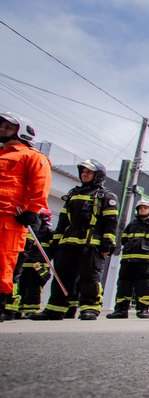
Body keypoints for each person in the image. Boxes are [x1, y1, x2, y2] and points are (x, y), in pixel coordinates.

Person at [31, 159, 118, 320]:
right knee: (62, 276)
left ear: (98, 175)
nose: (85, 174)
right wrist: (56, 240)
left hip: (91, 244)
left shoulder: (105, 196)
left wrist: (107, 243)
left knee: (89, 277)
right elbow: (63, 220)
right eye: (83, 172)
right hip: (68, 242)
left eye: (89, 172)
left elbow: (111, 223)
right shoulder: (73, 194)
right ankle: (55, 308)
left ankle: (90, 308)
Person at [0, 112, 51, 321]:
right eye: (1, 126)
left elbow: (40, 184)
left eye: (8, 127)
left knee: (4, 262)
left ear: (22, 132)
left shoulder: (32, 156)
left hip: (10, 219)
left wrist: (32, 210)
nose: (2, 129)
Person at [106, 200, 149, 319]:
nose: (142, 209)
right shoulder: (132, 224)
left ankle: (143, 309)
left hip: (146, 259)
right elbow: (124, 239)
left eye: (145, 208)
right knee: (124, 284)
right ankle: (121, 309)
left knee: (144, 284)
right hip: (128, 259)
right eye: (140, 208)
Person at [16, 209, 54, 317]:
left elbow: (53, 249)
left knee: (32, 288)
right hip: (29, 264)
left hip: (37, 265)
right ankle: (19, 309)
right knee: (23, 287)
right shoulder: (29, 229)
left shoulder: (47, 232)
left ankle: (30, 309)